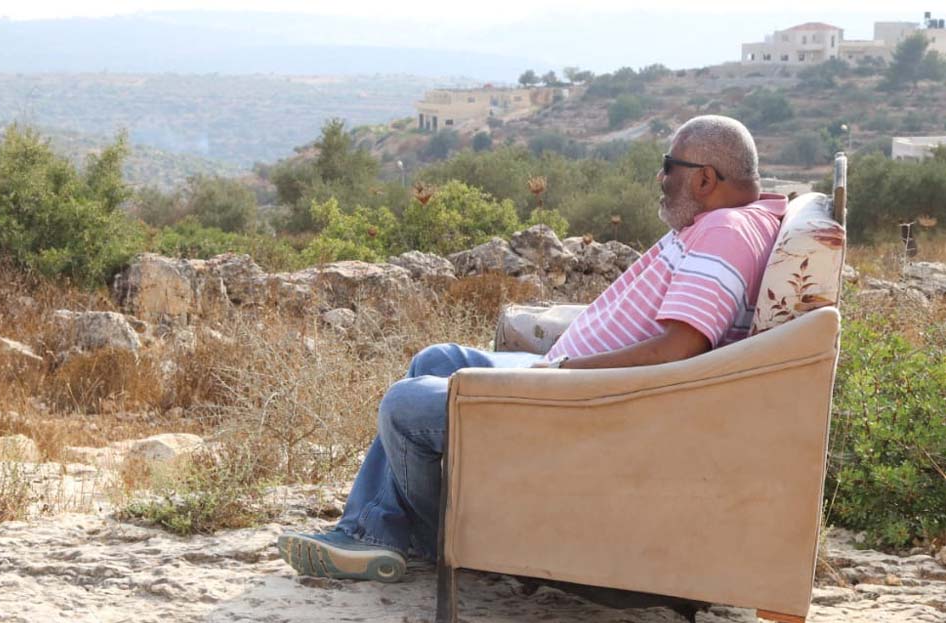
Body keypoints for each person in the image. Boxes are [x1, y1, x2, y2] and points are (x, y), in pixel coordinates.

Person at [277, 115, 789, 583]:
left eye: (667, 167)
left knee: (405, 405)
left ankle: (425, 541)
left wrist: (565, 370)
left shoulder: (724, 231)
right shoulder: (741, 218)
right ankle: (377, 530)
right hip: (571, 380)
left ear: (704, 178)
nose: (660, 179)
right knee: (435, 360)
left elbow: (681, 348)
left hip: (585, 403)